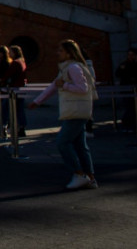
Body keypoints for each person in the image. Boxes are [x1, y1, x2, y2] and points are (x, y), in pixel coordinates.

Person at [29, 39, 98, 190]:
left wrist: (65, 85)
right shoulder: (67, 67)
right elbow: (53, 86)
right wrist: (37, 101)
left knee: (63, 142)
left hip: (76, 110)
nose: (57, 53)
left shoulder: (73, 67)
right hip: (78, 109)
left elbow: (82, 88)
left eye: (60, 50)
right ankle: (90, 177)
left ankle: (79, 173)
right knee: (80, 146)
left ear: (69, 52)